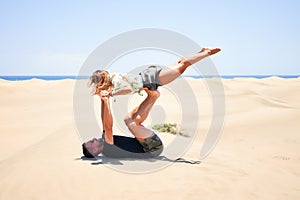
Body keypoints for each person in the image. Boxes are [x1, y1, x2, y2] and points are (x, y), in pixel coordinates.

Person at [88, 47, 221, 96]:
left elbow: (129, 88)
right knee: (181, 63)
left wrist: (112, 94)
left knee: (182, 66)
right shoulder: (114, 76)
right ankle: (201, 52)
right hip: (149, 75)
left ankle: (206, 53)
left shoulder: (115, 82)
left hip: (151, 79)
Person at [82, 88, 163, 158]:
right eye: (92, 142)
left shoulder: (105, 141)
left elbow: (104, 120)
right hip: (152, 149)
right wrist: (107, 102)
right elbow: (108, 127)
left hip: (145, 144)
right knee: (132, 124)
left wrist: (102, 99)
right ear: (95, 150)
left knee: (128, 119)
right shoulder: (108, 149)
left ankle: (151, 97)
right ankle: (153, 96)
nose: (93, 139)